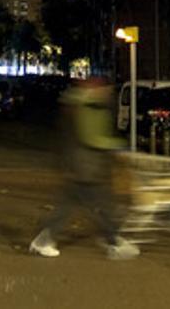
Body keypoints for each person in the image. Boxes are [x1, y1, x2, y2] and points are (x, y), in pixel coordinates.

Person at [29, 77, 139, 260]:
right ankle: (114, 243)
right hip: (86, 166)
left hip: (80, 165)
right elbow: (91, 137)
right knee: (102, 205)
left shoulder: (80, 104)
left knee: (71, 205)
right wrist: (117, 145)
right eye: (106, 90)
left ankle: (44, 240)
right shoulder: (88, 107)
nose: (108, 94)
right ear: (96, 89)